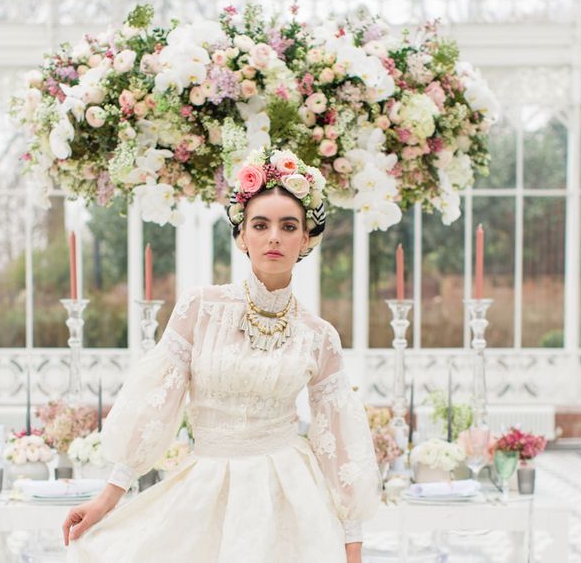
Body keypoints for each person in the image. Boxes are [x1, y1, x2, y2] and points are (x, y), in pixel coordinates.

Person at [63, 148, 380, 562]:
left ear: (305, 238)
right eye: (260, 225)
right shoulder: (200, 308)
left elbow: (340, 442)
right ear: (242, 235)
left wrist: (352, 547)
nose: (273, 238)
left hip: (289, 498)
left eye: (288, 226)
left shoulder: (319, 336)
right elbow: (155, 407)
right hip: (207, 487)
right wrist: (106, 498)